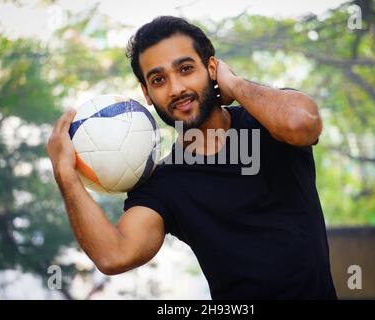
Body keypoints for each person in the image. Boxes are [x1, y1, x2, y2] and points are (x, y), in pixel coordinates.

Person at [46, 16, 337, 299]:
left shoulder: (268, 122)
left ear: (212, 68)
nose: (176, 89)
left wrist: (234, 85)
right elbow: (114, 255)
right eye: (158, 79)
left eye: (185, 69)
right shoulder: (164, 183)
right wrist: (66, 175)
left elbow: (302, 124)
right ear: (146, 93)